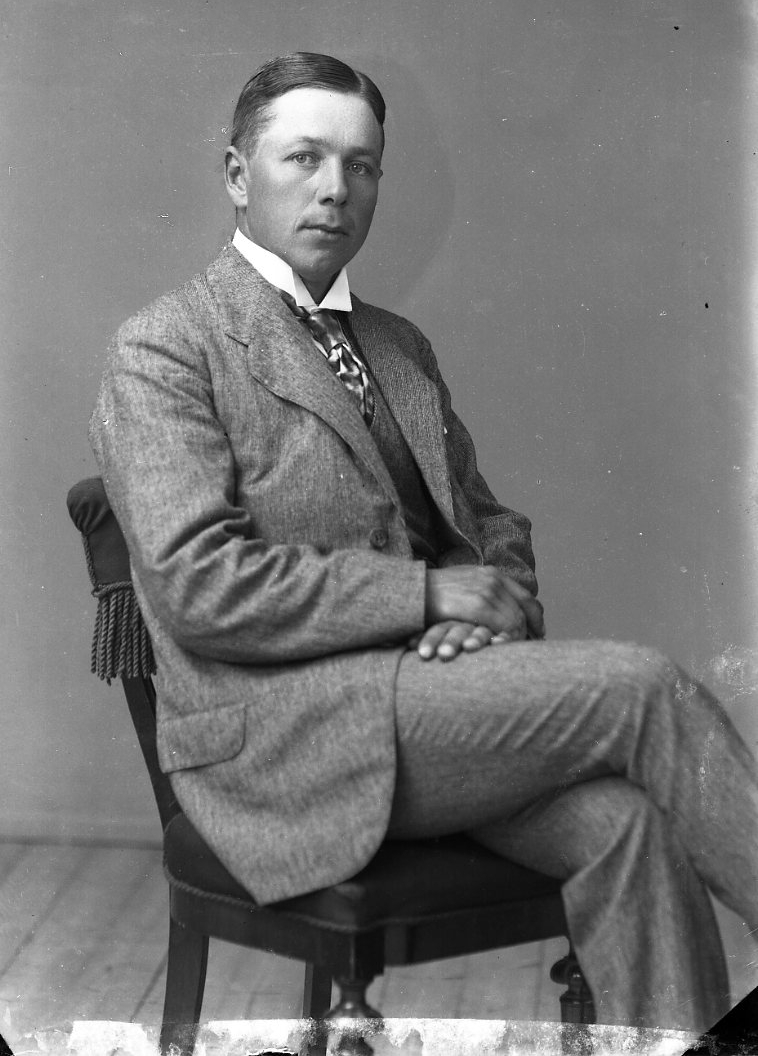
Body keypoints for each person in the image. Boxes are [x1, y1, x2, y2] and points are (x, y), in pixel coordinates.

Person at [90, 51, 758, 1033]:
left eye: (360, 165)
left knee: (628, 829)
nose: (335, 188)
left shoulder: (397, 346)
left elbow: (490, 531)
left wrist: (484, 617)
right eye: (304, 158)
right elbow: (200, 586)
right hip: (280, 744)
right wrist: (427, 598)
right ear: (237, 174)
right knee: (644, 690)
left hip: (432, 713)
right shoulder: (165, 347)